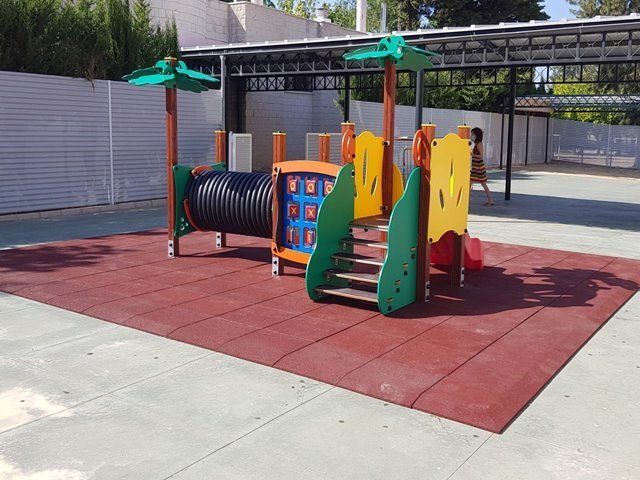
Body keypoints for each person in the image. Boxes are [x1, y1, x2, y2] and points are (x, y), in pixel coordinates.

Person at [470, 127, 494, 206]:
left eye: (473, 134)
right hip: (475, 167)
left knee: (483, 184)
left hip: (479, 168)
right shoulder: (476, 144)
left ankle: (490, 200)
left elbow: (481, 156)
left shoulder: (479, 144)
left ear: (477, 135)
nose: (472, 136)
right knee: (470, 182)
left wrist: (472, 154)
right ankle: (467, 199)